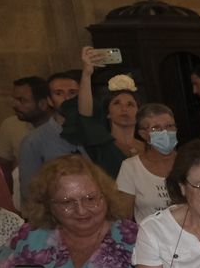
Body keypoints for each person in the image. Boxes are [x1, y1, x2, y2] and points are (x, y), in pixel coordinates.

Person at [0, 155, 140, 268]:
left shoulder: (134, 239)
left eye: (90, 199)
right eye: (67, 202)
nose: (81, 210)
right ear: (48, 205)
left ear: (106, 197)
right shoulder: (29, 237)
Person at [59, 49, 141, 177]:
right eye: (117, 103)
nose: (124, 109)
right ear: (107, 113)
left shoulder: (149, 146)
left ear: (139, 113)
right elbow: (85, 116)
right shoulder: (100, 144)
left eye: (130, 104)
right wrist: (86, 74)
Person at [17, 71, 83, 196]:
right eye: (59, 93)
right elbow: (29, 191)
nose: (67, 98)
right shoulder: (34, 141)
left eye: (72, 93)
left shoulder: (94, 134)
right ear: (50, 100)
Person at [115, 104, 178, 221]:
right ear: (143, 134)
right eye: (156, 128)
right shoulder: (130, 167)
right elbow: (124, 216)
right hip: (150, 236)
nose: (165, 132)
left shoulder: (190, 161)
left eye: (169, 126)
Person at [3, 77, 52, 190]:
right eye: (14, 100)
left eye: (22, 100)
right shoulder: (10, 125)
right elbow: (3, 166)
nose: (14, 105)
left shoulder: (61, 128)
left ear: (43, 104)